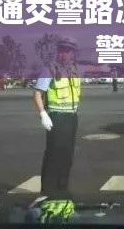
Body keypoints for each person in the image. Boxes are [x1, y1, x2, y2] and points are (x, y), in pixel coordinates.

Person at [33, 36, 82, 196]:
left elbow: (94, 68)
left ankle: (62, 189)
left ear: (72, 53)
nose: (64, 54)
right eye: (61, 51)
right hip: (56, 117)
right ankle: (48, 191)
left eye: (67, 51)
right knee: (54, 154)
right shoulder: (49, 69)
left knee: (67, 155)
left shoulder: (75, 69)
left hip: (71, 117)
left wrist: (105, 67)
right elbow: (37, 93)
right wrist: (43, 114)